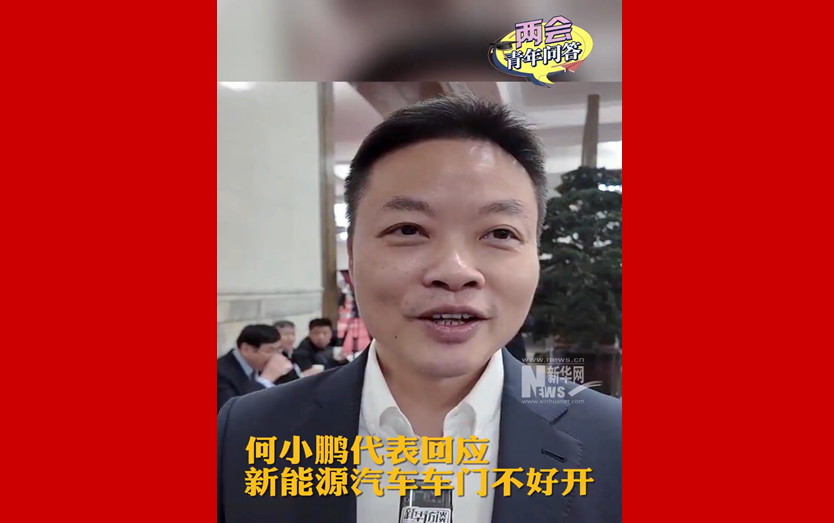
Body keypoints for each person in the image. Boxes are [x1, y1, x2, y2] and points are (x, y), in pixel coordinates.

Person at [217, 96, 621, 523]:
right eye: (408, 229)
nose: (455, 271)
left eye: (500, 233)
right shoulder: (245, 432)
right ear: (351, 256)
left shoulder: (614, 442)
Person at [216, 324, 297, 413]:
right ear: (246, 349)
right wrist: (266, 379)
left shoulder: (262, 364)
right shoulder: (220, 373)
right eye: (269, 351)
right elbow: (230, 413)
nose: (275, 357)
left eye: (278, 350)